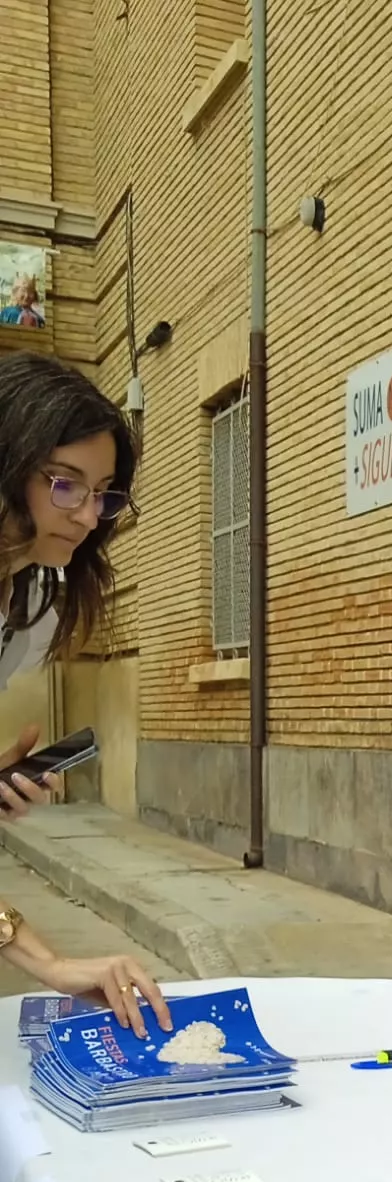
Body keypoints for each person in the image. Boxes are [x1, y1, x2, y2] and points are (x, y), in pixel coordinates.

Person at [0, 356, 168, 1033]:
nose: (89, 516)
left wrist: (50, 963)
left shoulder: (32, 603)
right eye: (65, 485)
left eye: (103, 494)